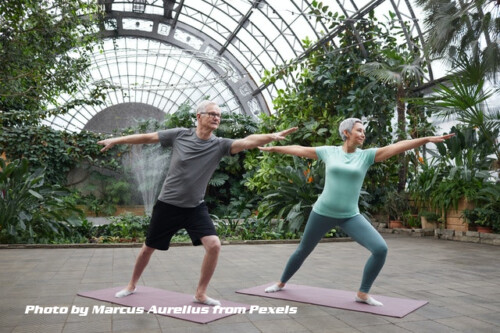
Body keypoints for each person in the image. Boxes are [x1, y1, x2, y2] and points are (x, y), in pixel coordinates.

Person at [98, 100, 297, 306]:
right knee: (148, 247)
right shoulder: (180, 135)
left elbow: (247, 141)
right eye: (211, 114)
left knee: (214, 245)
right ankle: (131, 285)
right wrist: (116, 140)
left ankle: (200, 294)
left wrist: (271, 136)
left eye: (218, 115)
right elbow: (148, 137)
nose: (216, 118)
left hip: (194, 207)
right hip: (168, 204)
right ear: (198, 116)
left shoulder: (220, 145)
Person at [259, 118, 454, 306]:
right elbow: (300, 150)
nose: (363, 134)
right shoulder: (329, 152)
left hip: (350, 216)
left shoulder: (366, 156)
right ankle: (281, 283)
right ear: (346, 133)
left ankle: (363, 293)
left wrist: (426, 139)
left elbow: (398, 146)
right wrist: (275, 147)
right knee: (303, 250)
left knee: (380, 249)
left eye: (364, 131)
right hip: (322, 212)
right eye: (359, 130)